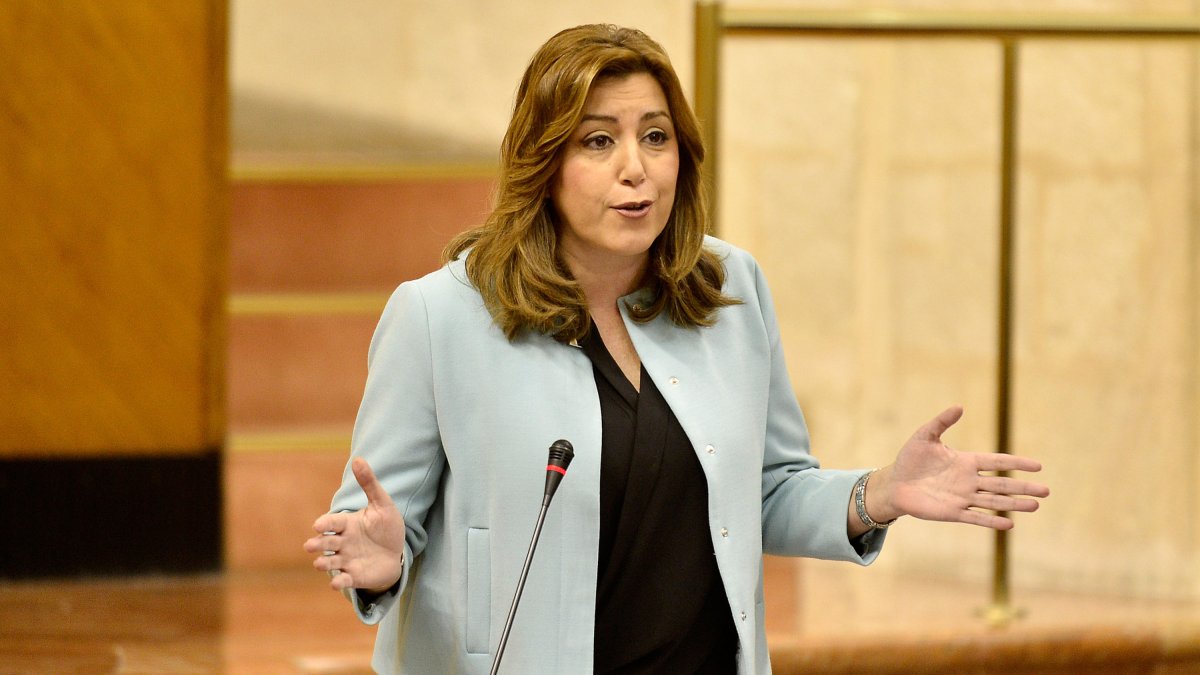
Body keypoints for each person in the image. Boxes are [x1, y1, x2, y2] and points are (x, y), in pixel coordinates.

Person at [303, 24, 1049, 674]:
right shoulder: (441, 316)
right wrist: (379, 563)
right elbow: (371, 526)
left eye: (655, 136)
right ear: (545, 163)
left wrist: (877, 494)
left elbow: (765, 491)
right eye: (600, 140)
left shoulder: (728, 292)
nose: (636, 166)